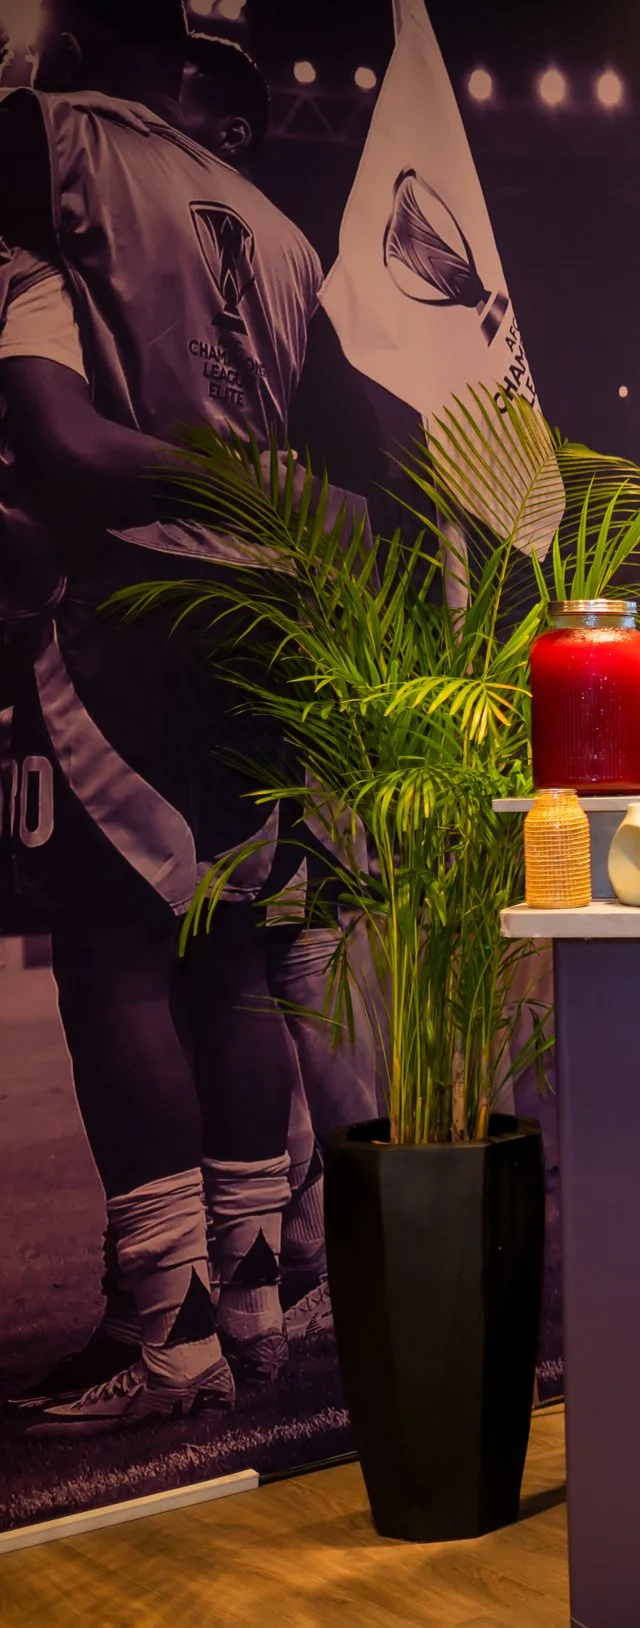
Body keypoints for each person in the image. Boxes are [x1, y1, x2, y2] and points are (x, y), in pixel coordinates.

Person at [0, 0, 338, 1432]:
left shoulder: (45, 152)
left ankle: (165, 1327)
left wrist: (204, 483)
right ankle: (253, 1304)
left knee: (120, 956)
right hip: (273, 613)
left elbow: (64, 446)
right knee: (237, 960)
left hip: (144, 598)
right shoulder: (280, 225)